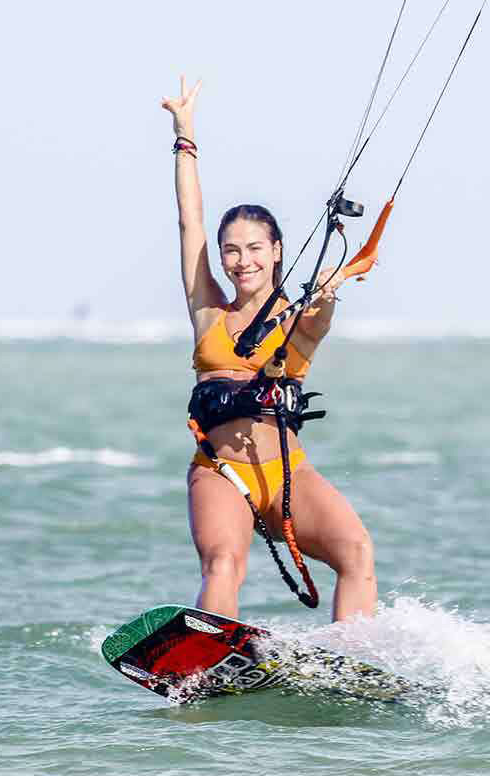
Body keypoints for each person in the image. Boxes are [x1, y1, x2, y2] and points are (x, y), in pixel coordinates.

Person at [161, 75, 377, 624]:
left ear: (277, 251)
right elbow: (191, 221)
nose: (242, 260)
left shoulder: (298, 316)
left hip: (286, 474)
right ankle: (210, 658)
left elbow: (322, 318)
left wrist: (326, 291)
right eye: (232, 251)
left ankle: (353, 659)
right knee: (224, 561)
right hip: (221, 471)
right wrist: (185, 135)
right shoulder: (208, 308)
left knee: (355, 552)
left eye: (255, 248)